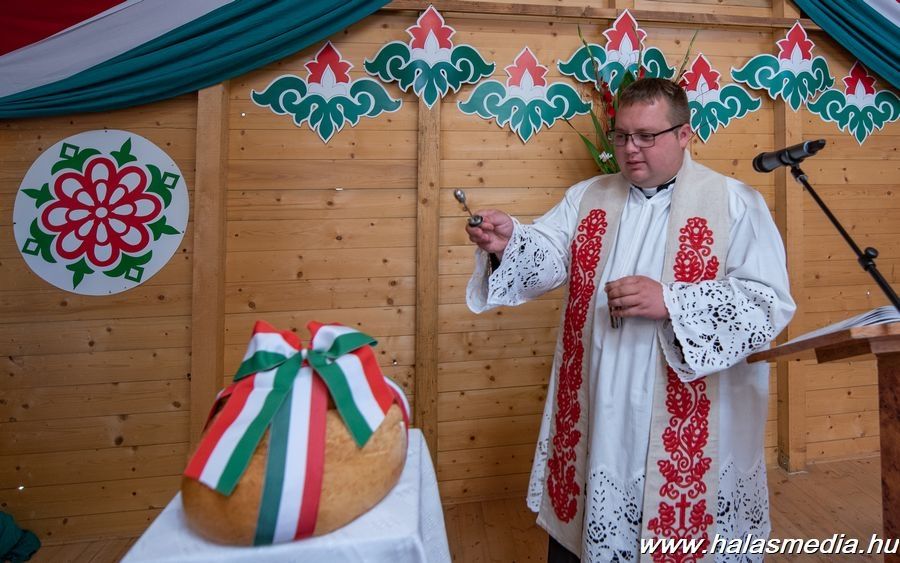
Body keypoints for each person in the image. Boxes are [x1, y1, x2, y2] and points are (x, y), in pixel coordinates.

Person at [464, 78, 796, 562]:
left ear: (684, 134)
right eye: (621, 136)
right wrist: (509, 241)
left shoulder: (735, 203)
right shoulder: (588, 196)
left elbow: (767, 302)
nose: (630, 148)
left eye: (646, 136)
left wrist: (673, 302)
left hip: (687, 412)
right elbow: (549, 255)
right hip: (602, 404)